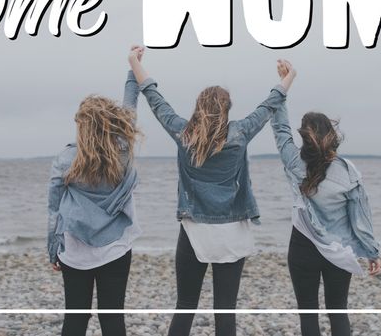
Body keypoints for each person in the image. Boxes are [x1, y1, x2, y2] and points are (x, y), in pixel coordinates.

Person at [128, 51, 296, 336]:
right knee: (225, 309)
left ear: (198, 107)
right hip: (232, 232)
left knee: (185, 305)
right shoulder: (240, 133)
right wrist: (288, 77)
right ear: (227, 110)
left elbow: (155, 100)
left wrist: (135, 63)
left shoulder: (184, 133)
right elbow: (269, 106)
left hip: (194, 230)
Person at [270, 59, 381, 336]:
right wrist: (371, 250)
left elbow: (279, 126)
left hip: (302, 248)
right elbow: (360, 217)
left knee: (308, 314)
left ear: (304, 138)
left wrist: (285, 83)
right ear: (331, 136)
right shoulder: (348, 171)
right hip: (339, 251)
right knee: (338, 311)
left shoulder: (294, 162)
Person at [47, 46, 146, 336]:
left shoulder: (66, 159)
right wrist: (133, 68)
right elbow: (131, 104)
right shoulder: (123, 150)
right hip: (116, 247)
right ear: (110, 124)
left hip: (75, 249)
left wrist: (52, 246)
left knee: (75, 318)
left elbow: (53, 207)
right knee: (112, 318)